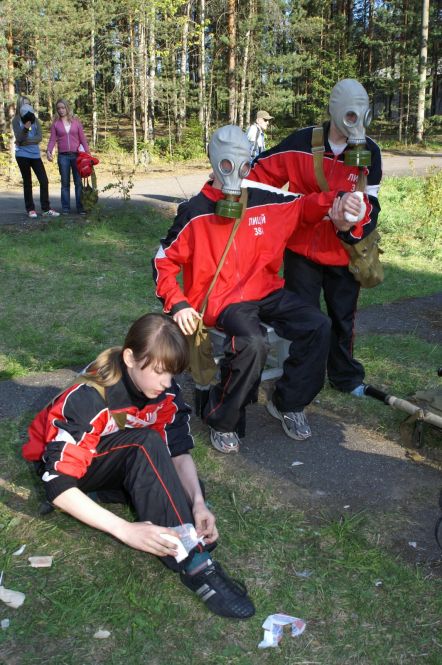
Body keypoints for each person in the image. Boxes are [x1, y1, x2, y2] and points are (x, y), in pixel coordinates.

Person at [22, 313, 255, 619]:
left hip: (113, 456)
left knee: (183, 488)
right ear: (130, 358)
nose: (167, 383)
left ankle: (113, 499)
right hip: (68, 469)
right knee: (144, 444)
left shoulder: (164, 390)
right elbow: (57, 484)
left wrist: (198, 503)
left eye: (172, 373)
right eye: (159, 371)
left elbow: (178, 452)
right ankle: (196, 565)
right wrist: (125, 530)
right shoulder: (89, 397)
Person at [153, 125, 365, 453]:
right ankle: (223, 419)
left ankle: (288, 401)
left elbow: (306, 205)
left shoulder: (266, 200)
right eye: (227, 164)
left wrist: (343, 200)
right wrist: (179, 303)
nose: (235, 173)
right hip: (224, 300)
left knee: (318, 325)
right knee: (252, 343)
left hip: (265, 290)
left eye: (242, 165)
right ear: (214, 161)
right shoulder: (194, 212)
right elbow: (163, 260)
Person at [247, 79, 382, 397]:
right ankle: (302, 377)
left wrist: (350, 224)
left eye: (362, 116)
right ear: (335, 110)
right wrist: (282, 210)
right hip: (301, 249)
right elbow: (259, 175)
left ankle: (344, 377)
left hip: (343, 250)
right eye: (351, 116)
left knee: (342, 317)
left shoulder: (369, 152)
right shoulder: (302, 143)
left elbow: (372, 205)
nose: (356, 124)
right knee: (304, 317)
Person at [12, 95, 60, 219]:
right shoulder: (16, 120)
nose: (27, 106)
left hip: (35, 155)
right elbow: (19, 138)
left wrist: (23, 141)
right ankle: (30, 209)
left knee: (44, 180)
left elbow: (39, 138)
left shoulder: (35, 120)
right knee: (27, 182)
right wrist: (25, 128)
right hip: (22, 155)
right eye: (24, 104)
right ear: (19, 105)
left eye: (29, 104)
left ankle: (46, 209)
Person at [46, 99, 90, 215]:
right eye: (58, 108)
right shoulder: (56, 124)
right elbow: (52, 139)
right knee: (65, 183)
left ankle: (80, 208)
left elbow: (82, 139)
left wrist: (88, 154)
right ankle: (66, 208)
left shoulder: (76, 122)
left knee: (78, 183)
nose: (61, 110)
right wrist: (49, 150)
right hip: (63, 156)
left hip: (77, 156)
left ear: (67, 108)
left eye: (63, 108)